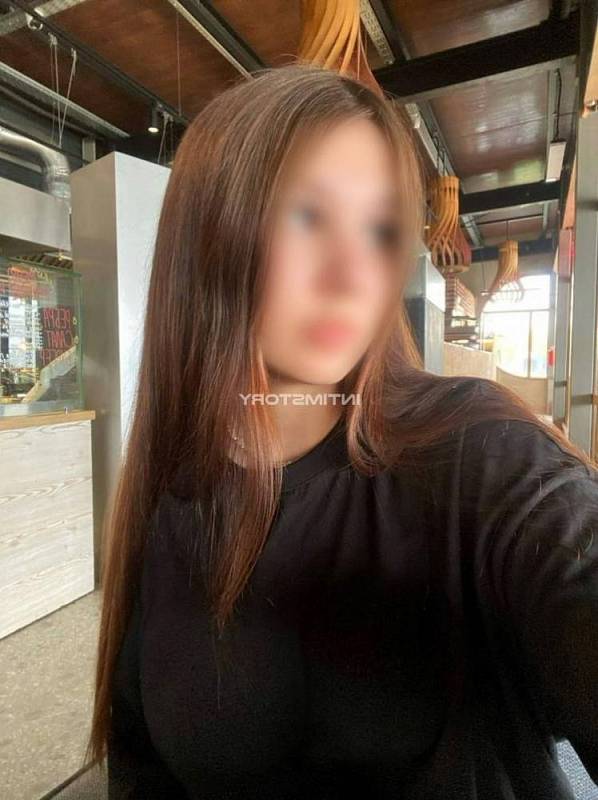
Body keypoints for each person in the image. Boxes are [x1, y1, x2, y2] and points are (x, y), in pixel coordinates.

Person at [85, 62, 598, 799]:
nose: (354, 276)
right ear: (206, 236)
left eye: (380, 230)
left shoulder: (481, 456)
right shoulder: (168, 503)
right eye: (306, 216)